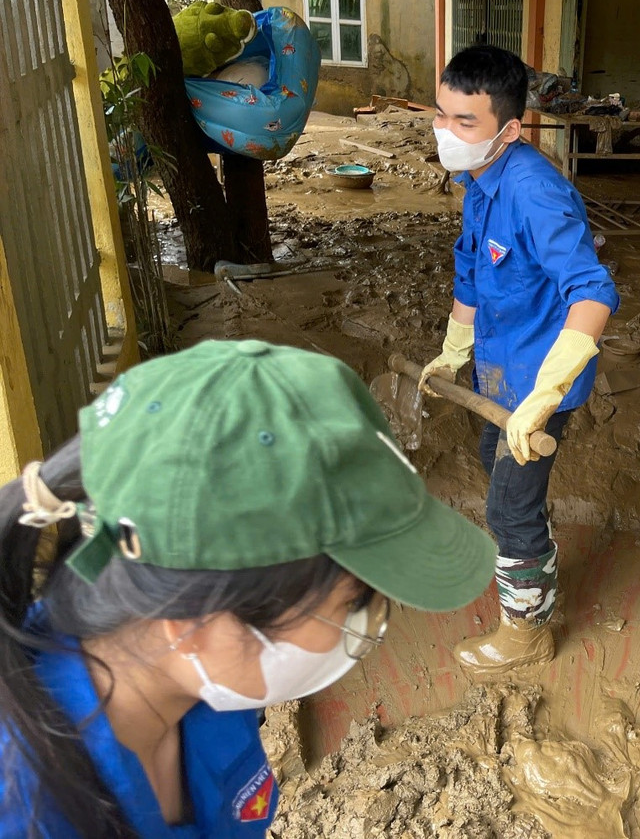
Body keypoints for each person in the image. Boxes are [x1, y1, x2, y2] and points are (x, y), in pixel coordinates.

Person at [0, 339, 497, 837]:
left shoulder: (213, 684)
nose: (370, 624)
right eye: (352, 602)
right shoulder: (28, 807)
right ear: (193, 620)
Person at [419, 45, 618, 675]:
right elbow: (472, 272)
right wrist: (454, 354)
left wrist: (544, 394)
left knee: (508, 502)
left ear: (508, 129)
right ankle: (529, 543)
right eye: (441, 114)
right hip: (499, 366)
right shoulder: (479, 178)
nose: (446, 133)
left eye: (464, 122)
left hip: (541, 377)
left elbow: (592, 292)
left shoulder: (535, 194)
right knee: (491, 459)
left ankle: (528, 632)